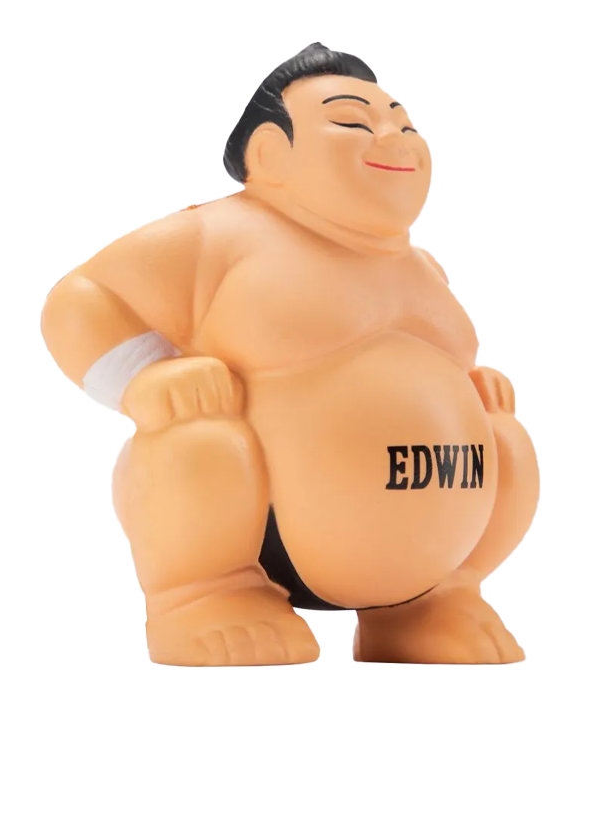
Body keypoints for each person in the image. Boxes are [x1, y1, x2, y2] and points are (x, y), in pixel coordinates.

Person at [41, 43, 539, 665]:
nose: (393, 137)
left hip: (432, 550)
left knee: (509, 441)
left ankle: (433, 603)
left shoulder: (423, 268)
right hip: (260, 534)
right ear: (270, 153)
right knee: (198, 440)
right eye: (352, 122)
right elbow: (81, 298)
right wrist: (143, 380)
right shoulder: (221, 235)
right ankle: (203, 597)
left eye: (405, 125)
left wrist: (472, 388)